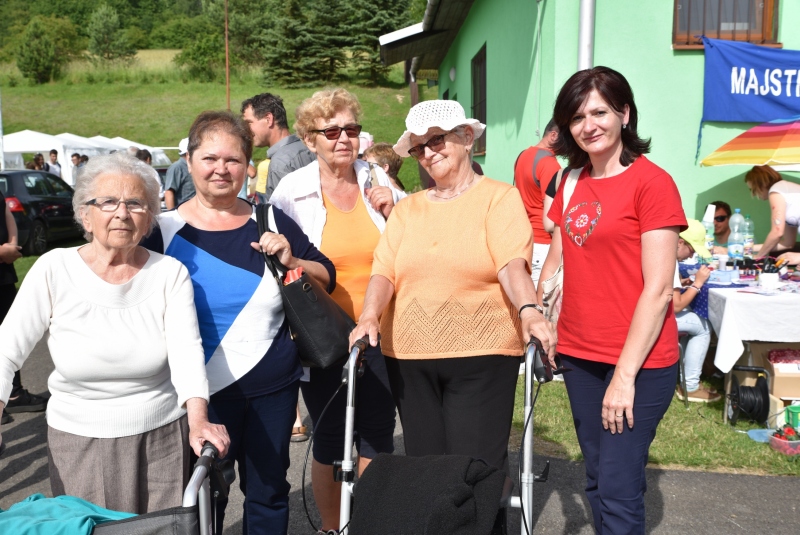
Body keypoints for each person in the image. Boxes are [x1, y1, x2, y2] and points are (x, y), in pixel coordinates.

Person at [349, 99, 555, 533]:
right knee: (425, 472)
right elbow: (384, 271)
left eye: (436, 140)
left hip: (482, 355)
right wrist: (369, 315)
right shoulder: (408, 209)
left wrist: (531, 311)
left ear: (465, 138)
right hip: (409, 355)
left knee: (473, 471)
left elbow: (510, 266)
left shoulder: (499, 198)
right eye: (419, 147)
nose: (427, 153)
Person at [0, 152, 229, 513]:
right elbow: (6, 349)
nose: (122, 213)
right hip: (78, 440)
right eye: (107, 201)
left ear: (149, 218)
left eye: (135, 203)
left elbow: (187, 351)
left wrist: (198, 419)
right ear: (85, 215)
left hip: (161, 436)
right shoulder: (54, 269)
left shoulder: (169, 273)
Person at [143, 110, 334, 534]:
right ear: (189, 162)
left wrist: (292, 258)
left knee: (268, 492)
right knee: (202, 498)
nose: (221, 169)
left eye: (232, 159)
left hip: (272, 389)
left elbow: (327, 275)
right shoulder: (161, 231)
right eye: (209, 158)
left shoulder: (269, 220)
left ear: (247, 165)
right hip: (196, 395)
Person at [538, 67, 686, 533]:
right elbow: (556, 263)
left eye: (600, 111)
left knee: (620, 489)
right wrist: (546, 320)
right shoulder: (571, 180)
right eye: (577, 116)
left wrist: (624, 379)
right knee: (599, 479)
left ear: (624, 113)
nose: (589, 125)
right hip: (580, 356)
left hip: (638, 362)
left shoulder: (651, 183)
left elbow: (660, 289)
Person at [270, 88, 404, 533]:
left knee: (377, 435)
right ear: (310, 140)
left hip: (383, 329)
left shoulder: (379, 180)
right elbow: (279, 261)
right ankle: (332, 527)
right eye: (331, 131)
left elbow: (413, 241)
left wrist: (396, 209)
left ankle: (368, 522)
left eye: (351, 129)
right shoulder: (292, 190)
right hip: (323, 335)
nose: (343, 139)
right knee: (329, 438)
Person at [0, 190, 47, 427]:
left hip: (3, 277)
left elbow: (5, 211)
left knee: (9, 337)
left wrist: (13, 244)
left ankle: (12, 393)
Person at [673, 220, 720, 403]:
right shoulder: (670, 261)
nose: (690, 257)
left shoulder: (661, 255)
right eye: (692, 251)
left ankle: (686, 380)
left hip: (643, 313)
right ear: (680, 242)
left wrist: (683, 283)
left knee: (691, 314)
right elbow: (676, 306)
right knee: (703, 326)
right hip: (656, 318)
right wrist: (698, 283)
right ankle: (690, 387)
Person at [241, 92, 316, 201]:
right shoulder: (307, 146)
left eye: (249, 123)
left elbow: (282, 214)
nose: (246, 129)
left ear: (268, 119)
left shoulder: (280, 163)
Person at [514, 120, 562, 285]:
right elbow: (553, 211)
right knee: (543, 302)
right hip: (544, 242)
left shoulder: (523, 155)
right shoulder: (550, 164)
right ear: (553, 135)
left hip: (526, 237)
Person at [745, 165, 800, 258]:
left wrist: (757, 257)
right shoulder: (785, 190)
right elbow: (787, 243)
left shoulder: (776, 191)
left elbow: (777, 232)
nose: (754, 194)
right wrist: (746, 249)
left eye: (753, 189)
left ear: (760, 184)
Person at [164, 138, 195, 209]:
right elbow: (169, 193)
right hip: (183, 214)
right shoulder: (177, 168)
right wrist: (172, 215)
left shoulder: (195, 166)